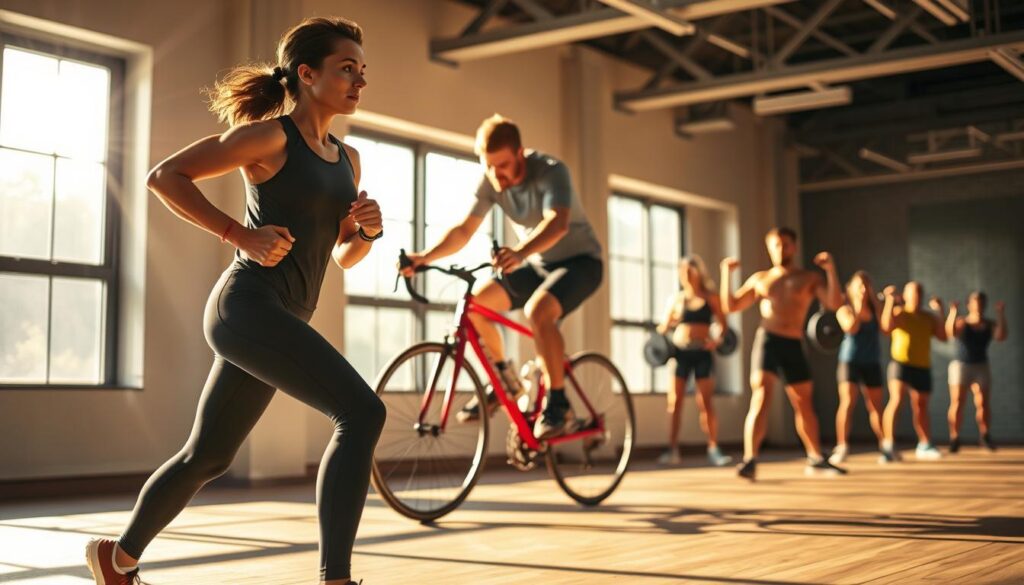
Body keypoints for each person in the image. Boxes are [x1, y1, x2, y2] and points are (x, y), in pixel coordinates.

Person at [84, 17, 383, 585]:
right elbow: (165, 176)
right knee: (361, 412)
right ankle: (335, 579)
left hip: (285, 315)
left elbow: (341, 257)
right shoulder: (273, 138)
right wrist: (238, 235)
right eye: (348, 69)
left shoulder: (349, 160)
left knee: (209, 456)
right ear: (306, 73)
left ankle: (116, 560)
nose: (359, 82)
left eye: (362, 71)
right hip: (246, 307)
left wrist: (363, 233)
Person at [400, 114, 603, 440]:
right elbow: (465, 230)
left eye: (503, 165)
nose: (497, 174)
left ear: (520, 153)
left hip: (581, 263)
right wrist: (424, 258)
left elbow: (558, 222)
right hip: (538, 264)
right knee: (477, 306)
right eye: (489, 166)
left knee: (538, 311)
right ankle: (507, 383)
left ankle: (559, 403)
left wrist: (520, 252)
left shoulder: (551, 171)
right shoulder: (491, 180)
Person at [720, 227, 846, 480]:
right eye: (776, 245)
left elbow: (834, 304)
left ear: (794, 247)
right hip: (768, 341)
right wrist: (726, 274)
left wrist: (830, 270)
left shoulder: (809, 278)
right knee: (761, 396)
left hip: (793, 343)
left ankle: (815, 458)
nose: (781, 249)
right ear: (770, 248)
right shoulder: (761, 279)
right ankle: (750, 459)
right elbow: (731, 306)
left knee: (803, 403)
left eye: (786, 245)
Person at [655, 255, 732, 467]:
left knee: (705, 402)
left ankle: (713, 448)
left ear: (699, 273)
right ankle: (672, 449)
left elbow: (724, 325)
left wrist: (715, 342)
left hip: (702, 353)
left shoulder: (711, 298)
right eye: (683, 272)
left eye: (690, 271)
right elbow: (662, 328)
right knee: (675, 402)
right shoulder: (677, 300)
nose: (686, 275)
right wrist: (669, 323)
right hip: (680, 353)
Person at [880, 282, 946, 463]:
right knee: (897, 399)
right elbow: (885, 328)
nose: (916, 296)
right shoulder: (900, 313)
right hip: (901, 364)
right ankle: (888, 445)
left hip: (922, 366)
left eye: (919, 293)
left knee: (921, 405)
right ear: (906, 295)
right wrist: (889, 302)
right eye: (913, 293)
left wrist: (940, 311)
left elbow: (943, 336)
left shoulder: (928, 317)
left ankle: (925, 445)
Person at [830, 271, 886, 464]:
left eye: (866, 286)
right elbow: (852, 327)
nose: (863, 290)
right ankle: (842, 446)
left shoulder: (876, 308)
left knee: (876, 407)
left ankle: (886, 446)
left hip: (871, 362)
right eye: (859, 286)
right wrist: (858, 306)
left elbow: (886, 329)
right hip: (850, 362)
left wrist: (885, 304)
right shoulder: (844, 309)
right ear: (851, 288)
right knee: (847, 402)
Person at [946, 292, 1008, 452]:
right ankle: (954, 437)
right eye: (975, 302)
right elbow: (950, 332)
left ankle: (985, 436)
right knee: (958, 402)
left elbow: (1001, 336)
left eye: (981, 303)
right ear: (969, 305)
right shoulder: (962, 322)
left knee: (983, 403)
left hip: (981, 365)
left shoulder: (989, 324)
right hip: (961, 365)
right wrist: (952, 312)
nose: (978, 306)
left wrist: (1001, 314)